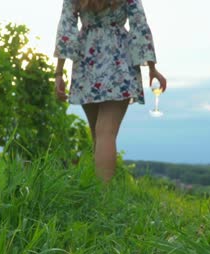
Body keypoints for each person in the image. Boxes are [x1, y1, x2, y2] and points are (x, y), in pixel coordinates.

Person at [53, 0, 167, 183]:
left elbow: (66, 29)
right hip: (119, 59)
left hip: (86, 61)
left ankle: (99, 193)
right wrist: (152, 68)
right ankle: (103, 197)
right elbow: (140, 25)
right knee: (106, 132)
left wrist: (59, 72)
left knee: (98, 133)